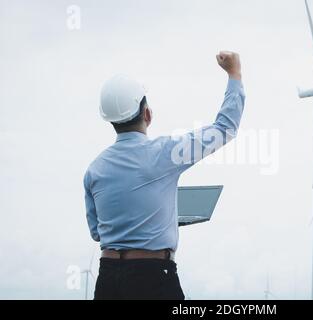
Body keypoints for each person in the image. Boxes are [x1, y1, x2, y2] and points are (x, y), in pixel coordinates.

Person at [83, 51, 245, 299]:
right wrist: (234, 74)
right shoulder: (165, 153)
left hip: (107, 280)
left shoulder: (94, 170)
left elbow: (97, 233)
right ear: (147, 114)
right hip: (153, 277)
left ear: (110, 121)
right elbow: (225, 129)